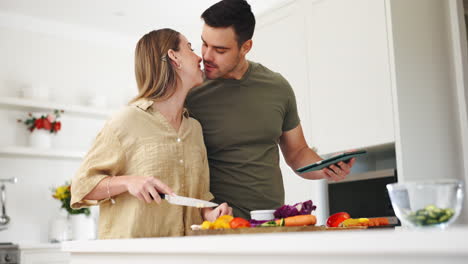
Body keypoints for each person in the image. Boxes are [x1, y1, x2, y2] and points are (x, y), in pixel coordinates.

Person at [186, 0, 355, 219]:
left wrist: (325, 167)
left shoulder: (277, 87)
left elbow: (297, 153)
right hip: (218, 226)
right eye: (204, 44)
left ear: (246, 47)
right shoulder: (190, 91)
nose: (207, 56)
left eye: (220, 49)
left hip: (272, 222)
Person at [70, 28, 232, 239]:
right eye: (190, 48)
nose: (199, 56)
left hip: (187, 253)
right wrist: (128, 182)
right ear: (174, 57)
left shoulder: (194, 129)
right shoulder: (126, 121)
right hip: (135, 256)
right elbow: (81, 187)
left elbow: (198, 196)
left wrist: (210, 214)